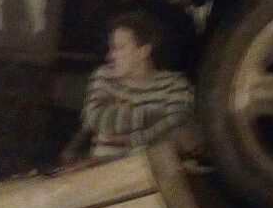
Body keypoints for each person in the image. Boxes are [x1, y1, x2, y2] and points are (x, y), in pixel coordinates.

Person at [80, 11, 195, 160]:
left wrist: (131, 138)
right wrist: (155, 116)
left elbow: (176, 127)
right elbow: (93, 118)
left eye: (119, 47)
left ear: (144, 51)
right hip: (103, 170)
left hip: (153, 172)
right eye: (111, 48)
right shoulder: (105, 77)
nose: (110, 56)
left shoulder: (175, 84)